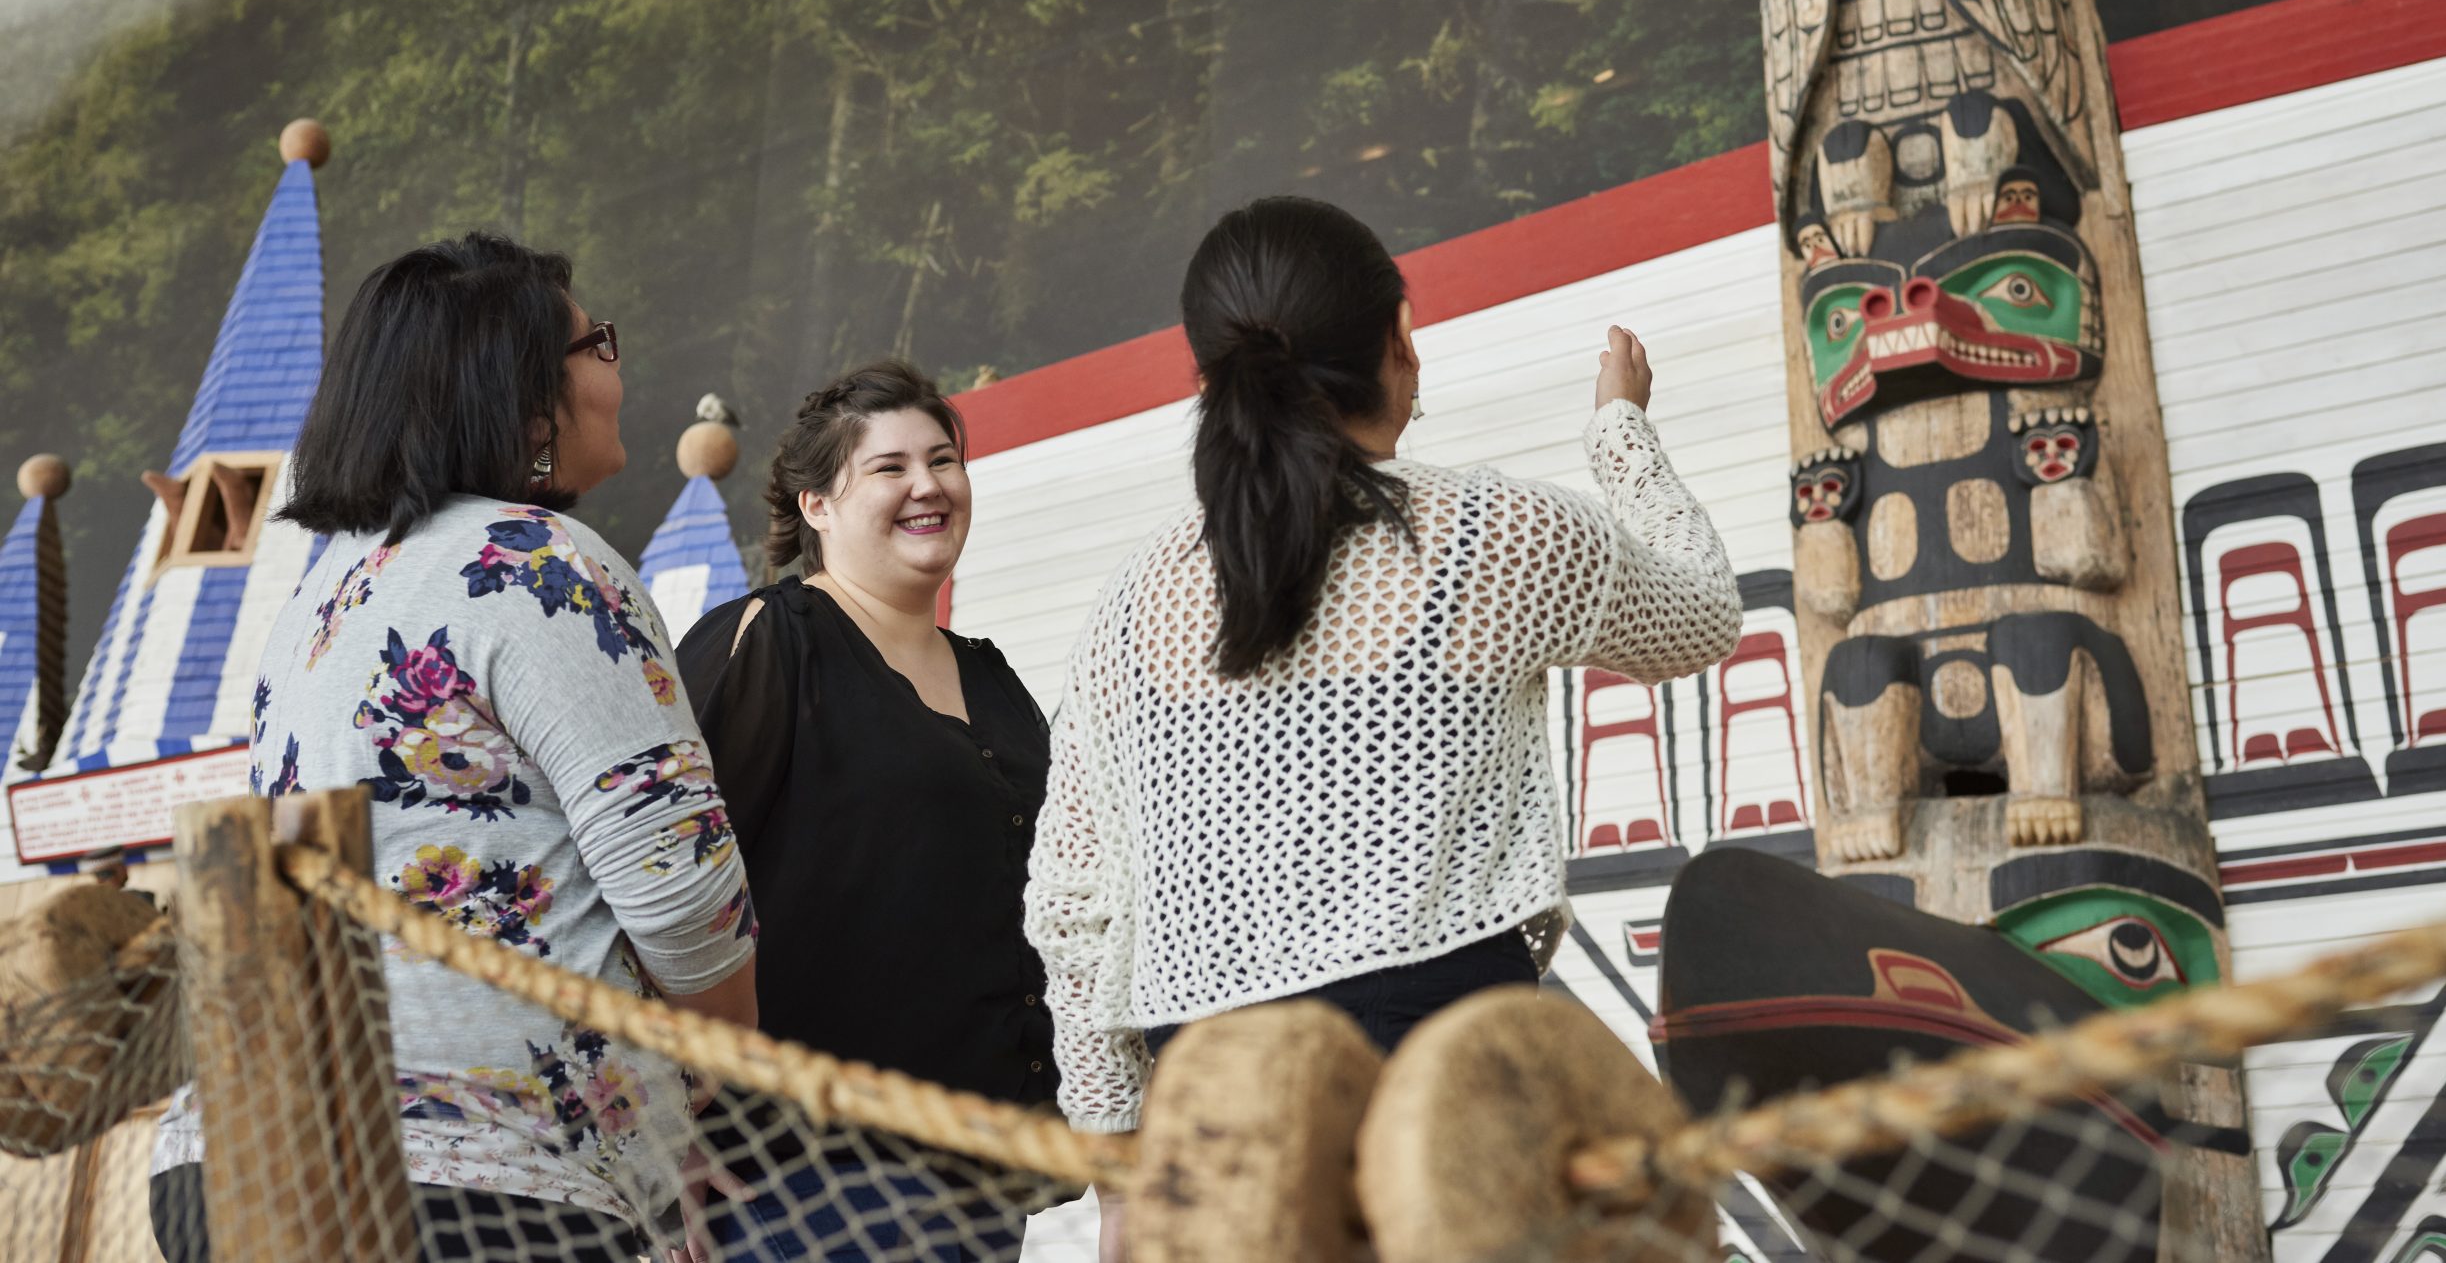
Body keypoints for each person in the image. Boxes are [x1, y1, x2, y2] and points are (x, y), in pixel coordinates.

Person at [1026, 195, 1742, 1246]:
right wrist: (1621, 429)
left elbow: (1071, 913)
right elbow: (1701, 612)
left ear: (1209, 379)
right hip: (1452, 1089)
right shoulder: (1496, 532)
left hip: (1221, 1126)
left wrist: (1121, 1180)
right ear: (1401, 336)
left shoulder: (1127, 609)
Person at [148, 233, 759, 1263]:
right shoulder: (534, 564)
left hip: (236, 1156)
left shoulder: (316, 605)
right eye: (595, 344)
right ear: (522, 396)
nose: (617, 367)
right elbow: (680, 893)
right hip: (470, 1177)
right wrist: (727, 1100)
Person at [677, 361, 1054, 1263]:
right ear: (816, 505)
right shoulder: (766, 640)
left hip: (982, 1167)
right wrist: (665, 1123)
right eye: (889, 467)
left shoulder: (995, 677)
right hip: (804, 1176)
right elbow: (662, 886)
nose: (927, 484)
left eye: (944, 459)